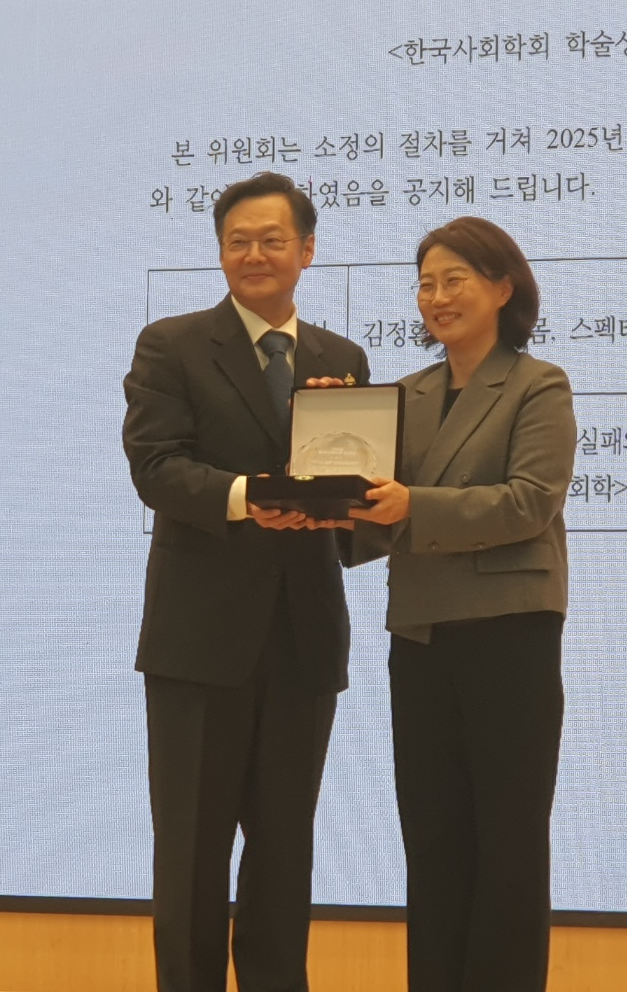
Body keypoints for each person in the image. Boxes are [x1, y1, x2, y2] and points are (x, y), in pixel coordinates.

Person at [122, 172, 370, 992]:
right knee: (191, 852)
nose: (254, 254)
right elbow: (156, 468)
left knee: (285, 849)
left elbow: (359, 496)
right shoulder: (172, 344)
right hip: (198, 640)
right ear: (221, 251)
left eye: (271, 240)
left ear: (307, 250)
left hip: (304, 636)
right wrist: (248, 497)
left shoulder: (340, 360)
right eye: (238, 241)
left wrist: (351, 482)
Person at [345, 217, 576, 991]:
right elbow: (373, 513)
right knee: (433, 841)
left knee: (507, 843)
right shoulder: (402, 395)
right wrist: (327, 459)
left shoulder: (537, 384)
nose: (436, 297)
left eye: (454, 280)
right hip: (420, 634)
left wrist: (413, 505)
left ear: (502, 287)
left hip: (509, 635)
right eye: (425, 283)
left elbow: (528, 502)